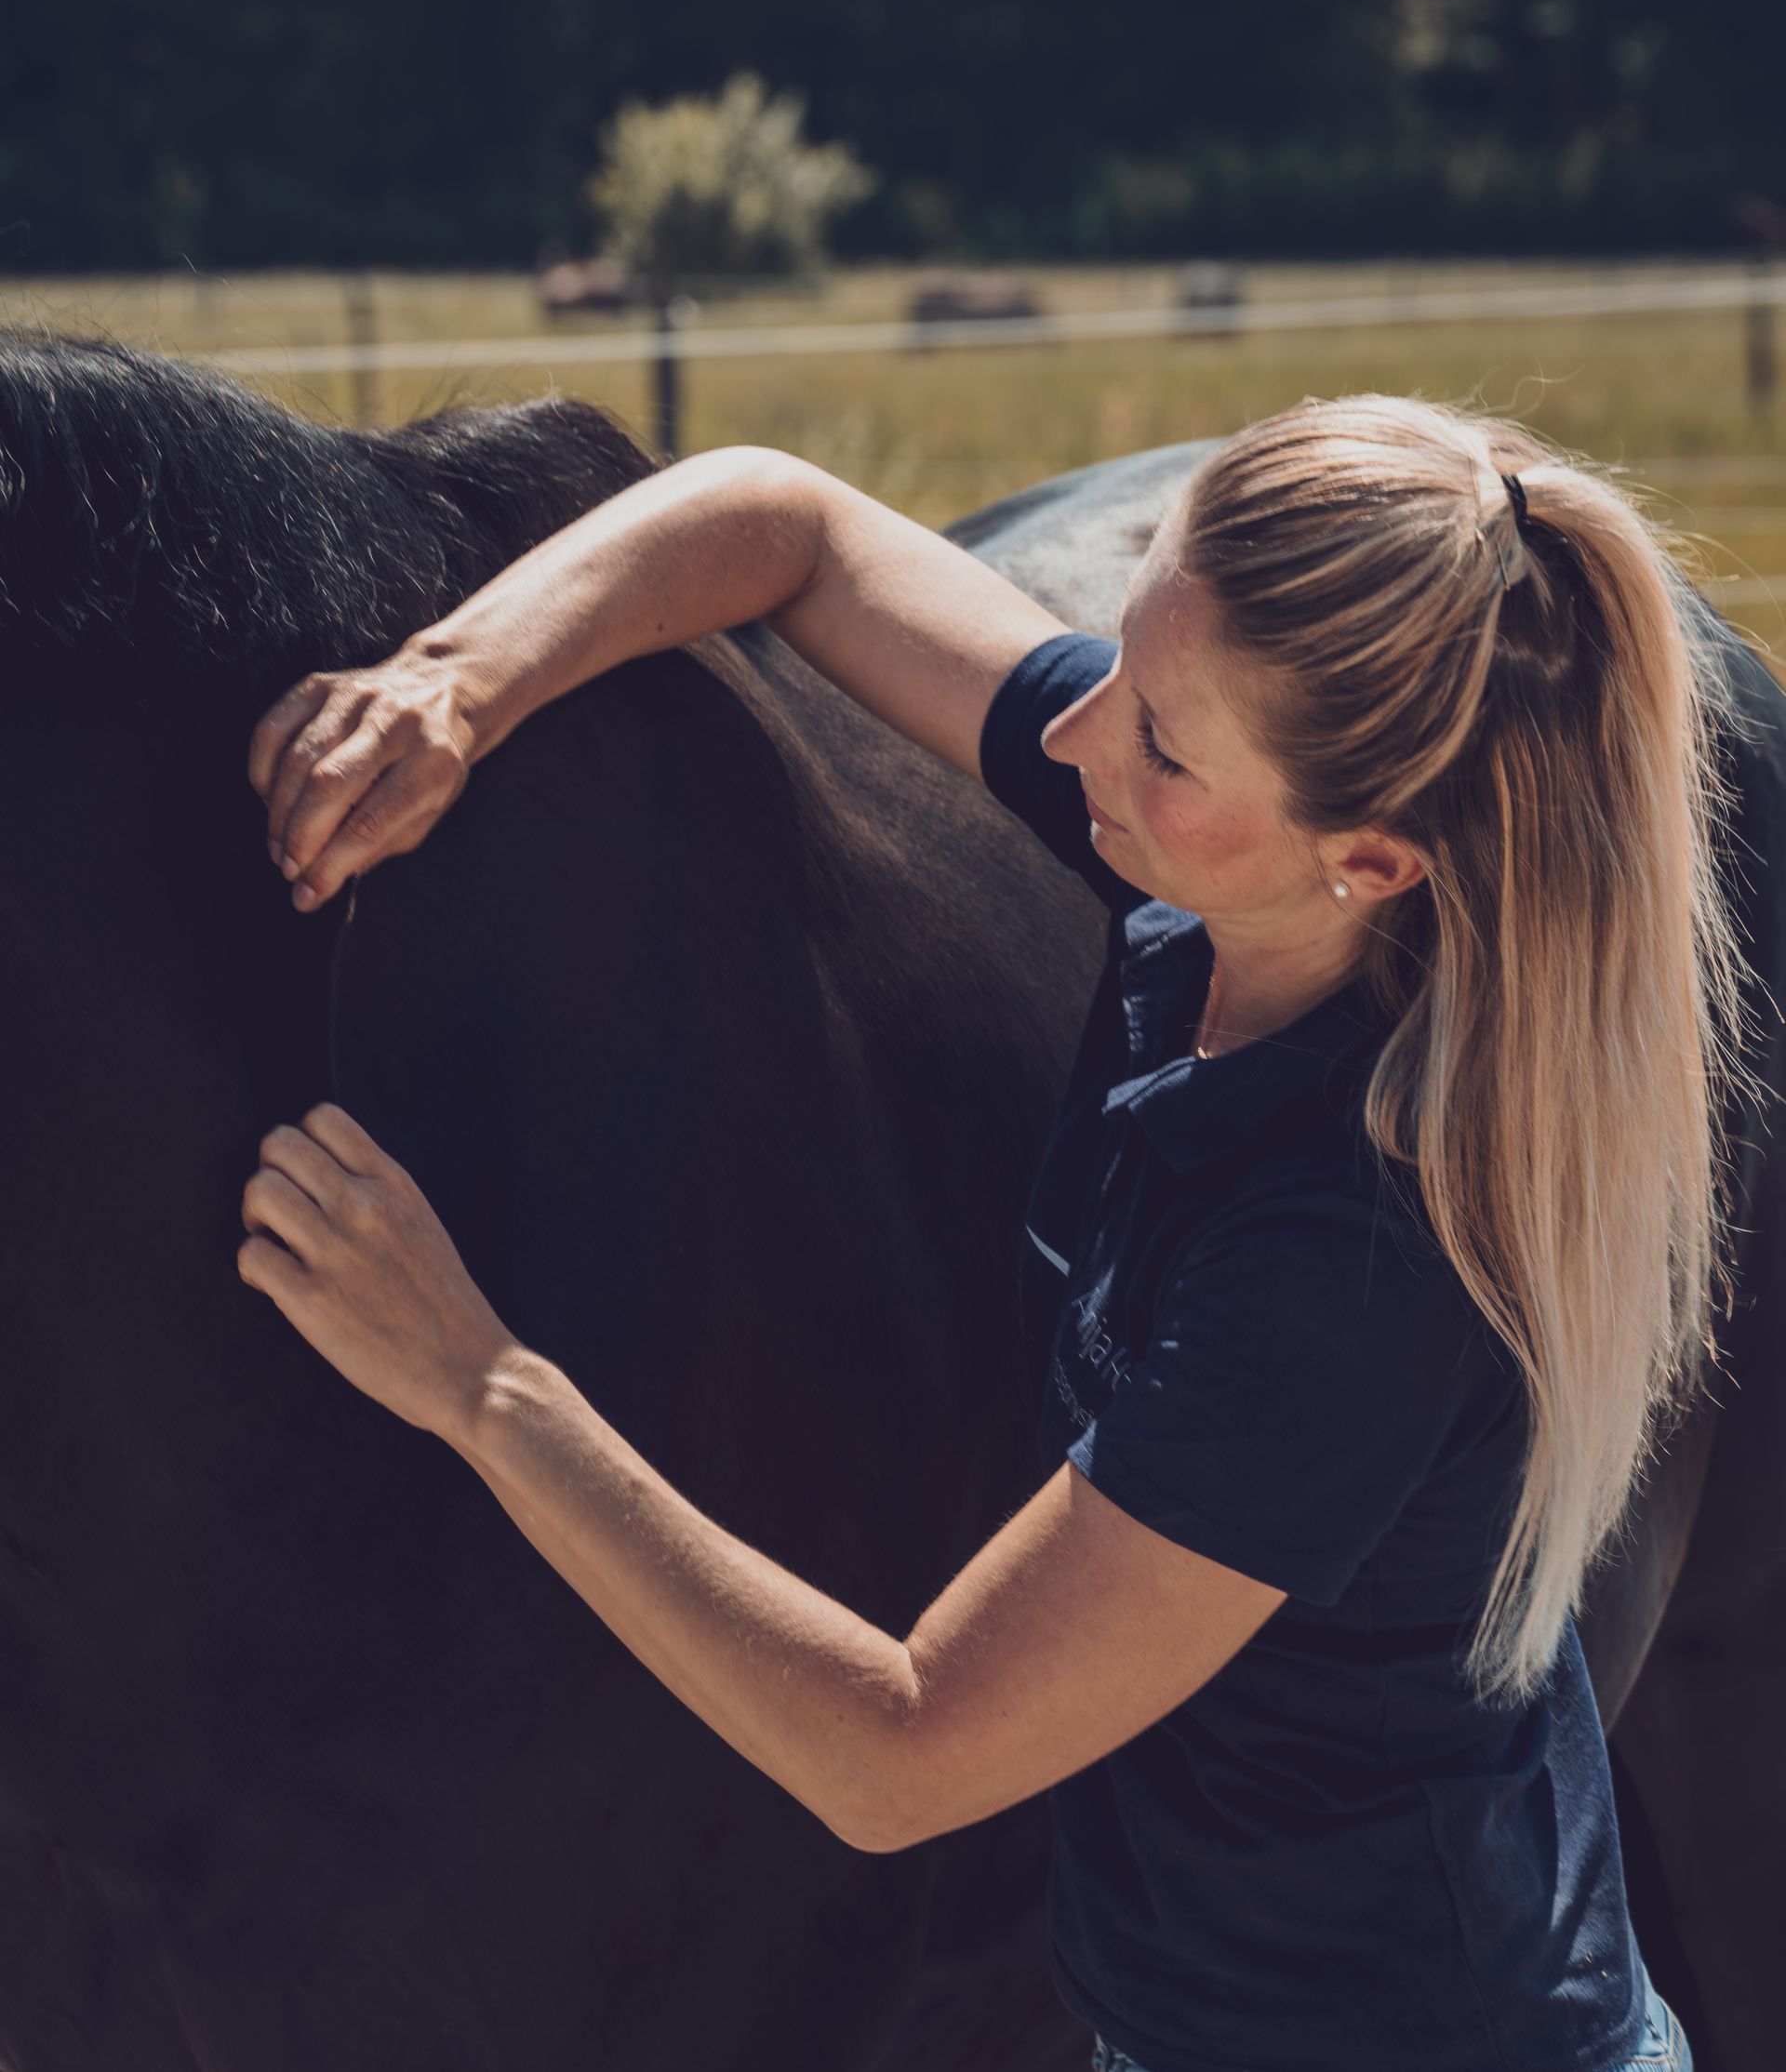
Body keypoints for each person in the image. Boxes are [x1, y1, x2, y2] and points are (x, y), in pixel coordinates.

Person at [236, 394, 1744, 2072]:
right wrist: (461, 676)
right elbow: (789, 524)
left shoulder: (1352, 1266)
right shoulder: (1226, 881)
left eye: (1164, 743)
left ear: (1372, 858)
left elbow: (902, 1753)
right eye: (1124, 656)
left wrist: (480, 1383)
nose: (1079, 731)